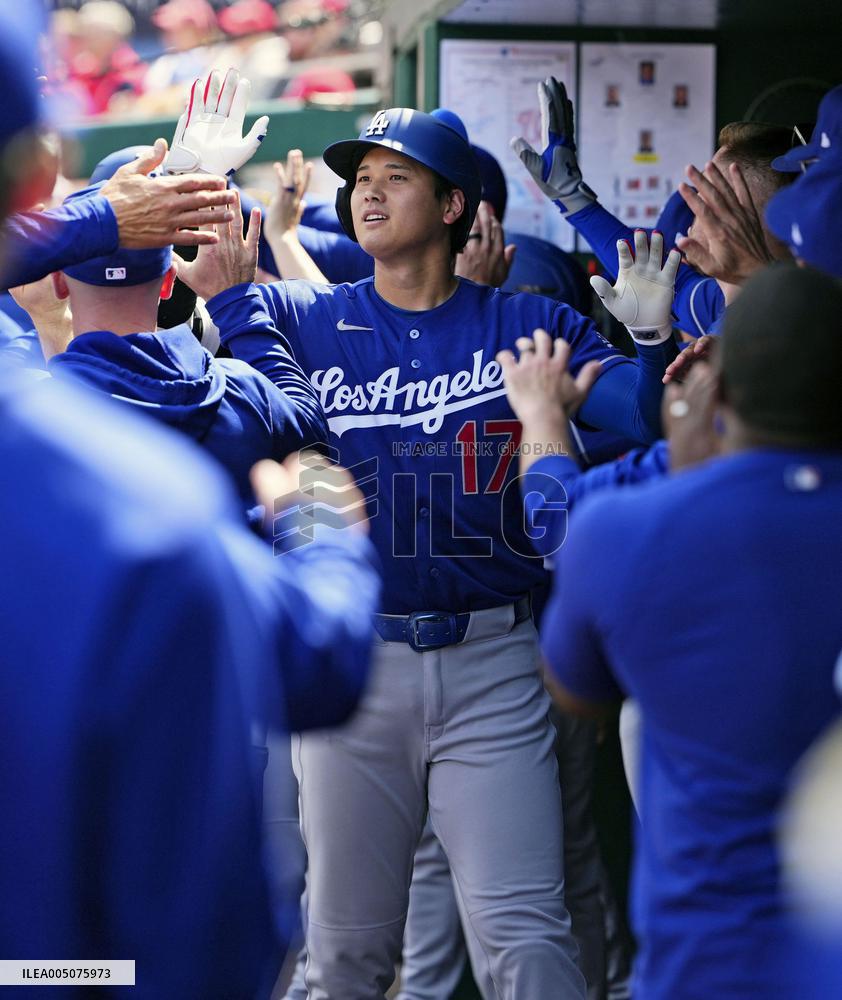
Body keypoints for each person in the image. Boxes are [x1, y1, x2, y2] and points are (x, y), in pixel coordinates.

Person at [176, 99, 681, 999]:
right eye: (360, 180)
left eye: (394, 177)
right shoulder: (299, 316)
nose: (367, 194)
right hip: (359, 665)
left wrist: (648, 340)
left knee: (527, 938)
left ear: (452, 207)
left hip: (494, 659)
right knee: (344, 954)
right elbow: (167, 314)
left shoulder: (525, 327)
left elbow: (651, 421)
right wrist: (196, 208)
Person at [0, 3, 379, 996]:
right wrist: (319, 525)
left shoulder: (47, 398)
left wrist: (91, 217)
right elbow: (320, 655)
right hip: (165, 910)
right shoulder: (144, 495)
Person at [539, 263, 842, 1000]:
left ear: (721, 394)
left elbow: (576, 691)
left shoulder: (622, 530)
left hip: (709, 963)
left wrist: (554, 424)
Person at [19, 182, 325, 506]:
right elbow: (313, 434)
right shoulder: (244, 389)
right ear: (168, 282)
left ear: (59, 282)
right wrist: (235, 300)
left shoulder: (28, 419)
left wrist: (47, 318)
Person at [512, 78, 793, 337]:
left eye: (709, 206)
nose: (692, 226)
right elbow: (667, 279)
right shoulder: (715, 301)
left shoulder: (813, 317)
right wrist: (573, 200)